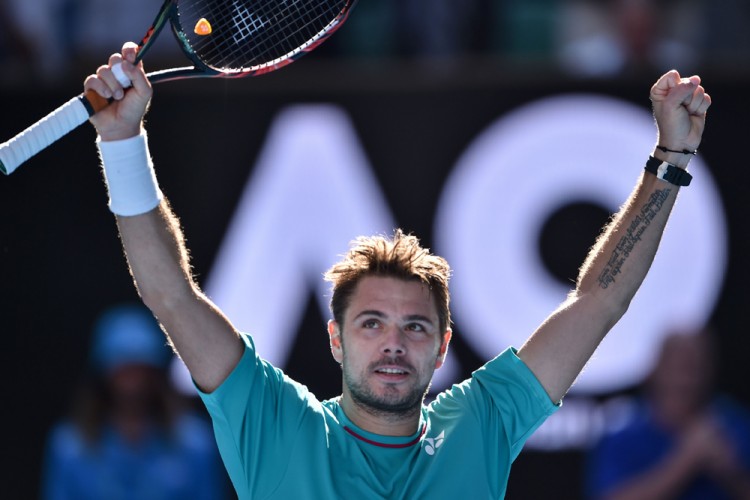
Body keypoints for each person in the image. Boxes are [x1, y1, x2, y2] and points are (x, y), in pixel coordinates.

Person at [81, 41, 711, 498]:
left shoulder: (480, 422)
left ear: (441, 349)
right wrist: (122, 144)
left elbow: (596, 303)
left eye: (414, 328)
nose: (392, 343)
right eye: (372, 322)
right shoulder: (273, 423)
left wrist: (671, 157)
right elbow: (172, 296)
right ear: (335, 339)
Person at [41, 303, 230, 500]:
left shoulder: (195, 443)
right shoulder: (70, 447)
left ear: (156, 375)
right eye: (124, 372)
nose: (133, 384)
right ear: (103, 375)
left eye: (141, 371)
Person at [586, 328, 750, 499]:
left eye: (696, 364)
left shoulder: (733, 424)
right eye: (680, 365)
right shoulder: (622, 432)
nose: (687, 377)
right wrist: (686, 460)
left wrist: (731, 471)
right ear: (655, 369)